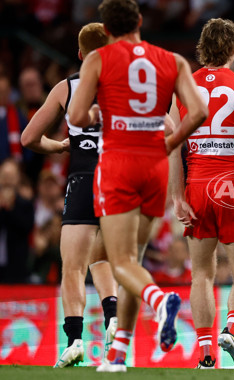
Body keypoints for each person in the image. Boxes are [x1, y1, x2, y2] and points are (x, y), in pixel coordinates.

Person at [67, 0, 208, 372]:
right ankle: (117, 354)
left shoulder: (98, 59)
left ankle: (162, 303)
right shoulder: (172, 60)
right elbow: (198, 111)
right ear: (141, 22)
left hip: (118, 163)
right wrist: (171, 143)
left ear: (107, 29)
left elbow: (77, 116)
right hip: (156, 164)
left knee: (121, 262)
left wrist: (98, 112)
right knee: (136, 259)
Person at [168, 18, 234, 369]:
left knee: (201, 273)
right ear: (233, 50)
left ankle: (206, 355)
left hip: (196, 185)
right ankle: (233, 327)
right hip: (232, 186)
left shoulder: (183, 88)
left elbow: (172, 147)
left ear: (202, 48)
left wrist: (177, 196)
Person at [20, 23, 119, 368]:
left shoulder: (68, 86)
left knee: (73, 266)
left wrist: (60, 146)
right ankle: (114, 320)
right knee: (105, 256)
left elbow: (29, 138)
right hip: (120, 179)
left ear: (80, 54)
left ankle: (75, 340)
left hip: (82, 177)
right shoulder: (130, 87)